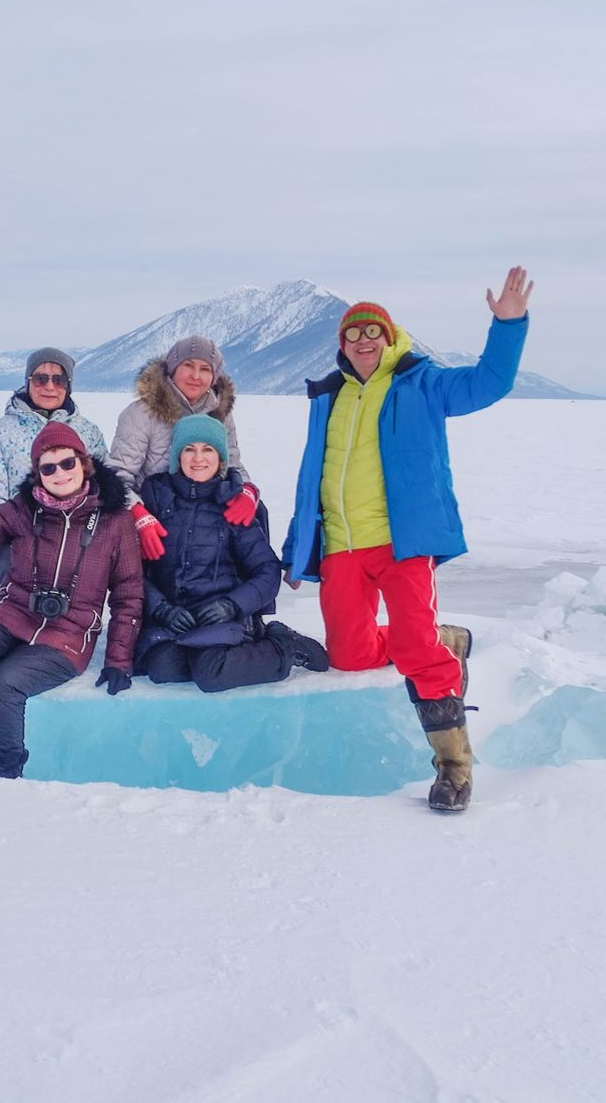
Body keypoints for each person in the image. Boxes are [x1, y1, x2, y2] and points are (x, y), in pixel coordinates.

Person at [282, 267, 534, 812]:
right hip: (343, 546)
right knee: (349, 655)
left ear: (390, 337)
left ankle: (453, 767)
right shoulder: (329, 396)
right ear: (342, 345)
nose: (364, 340)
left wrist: (508, 325)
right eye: (354, 333)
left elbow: (489, 383)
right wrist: (300, 544)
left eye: (374, 331)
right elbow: (313, 475)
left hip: (402, 542)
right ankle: (444, 637)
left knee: (416, 649)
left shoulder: (422, 382)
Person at [0, 420, 143, 779]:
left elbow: (129, 593)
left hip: (69, 634)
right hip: (11, 613)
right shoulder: (22, 510)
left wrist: (119, 659)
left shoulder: (116, 521)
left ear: (84, 463)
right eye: (48, 467)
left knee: (6, 684)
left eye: (67, 463)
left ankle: (6, 779)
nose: (60, 473)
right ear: (37, 474)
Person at [136, 415, 329, 692]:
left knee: (211, 673)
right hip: (175, 616)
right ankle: (215, 652)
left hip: (221, 614)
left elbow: (267, 571)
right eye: (189, 449)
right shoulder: (157, 499)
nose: (198, 458)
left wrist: (232, 605)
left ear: (221, 459)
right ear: (178, 455)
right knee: (161, 668)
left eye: (208, 449)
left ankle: (284, 647)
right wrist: (162, 609)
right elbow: (132, 570)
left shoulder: (233, 505)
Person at [107, 335, 259, 561]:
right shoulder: (140, 414)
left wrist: (248, 490)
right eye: (188, 365)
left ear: (214, 375)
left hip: (206, 515)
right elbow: (118, 475)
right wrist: (138, 513)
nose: (196, 376)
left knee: (257, 519)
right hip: (157, 514)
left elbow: (233, 465)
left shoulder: (220, 415)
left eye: (205, 369)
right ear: (172, 368)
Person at [0, 347, 109, 583]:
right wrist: (18, 530)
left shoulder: (88, 432)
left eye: (59, 380)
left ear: (68, 386)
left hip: (76, 534)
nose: (49, 387)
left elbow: (106, 488)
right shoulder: (1, 431)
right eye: (40, 379)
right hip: (16, 535)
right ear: (27, 382)